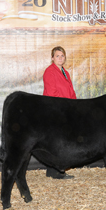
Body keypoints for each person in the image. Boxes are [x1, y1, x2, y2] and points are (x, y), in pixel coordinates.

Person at [43, 46, 76, 179]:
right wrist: (65, 108)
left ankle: (53, 170)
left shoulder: (65, 72)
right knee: (57, 142)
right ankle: (56, 171)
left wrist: (75, 106)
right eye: (57, 56)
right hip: (55, 111)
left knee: (60, 141)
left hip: (66, 110)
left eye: (62, 56)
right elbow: (52, 94)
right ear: (52, 58)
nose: (60, 58)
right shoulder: (49, 72)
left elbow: (71, 91)